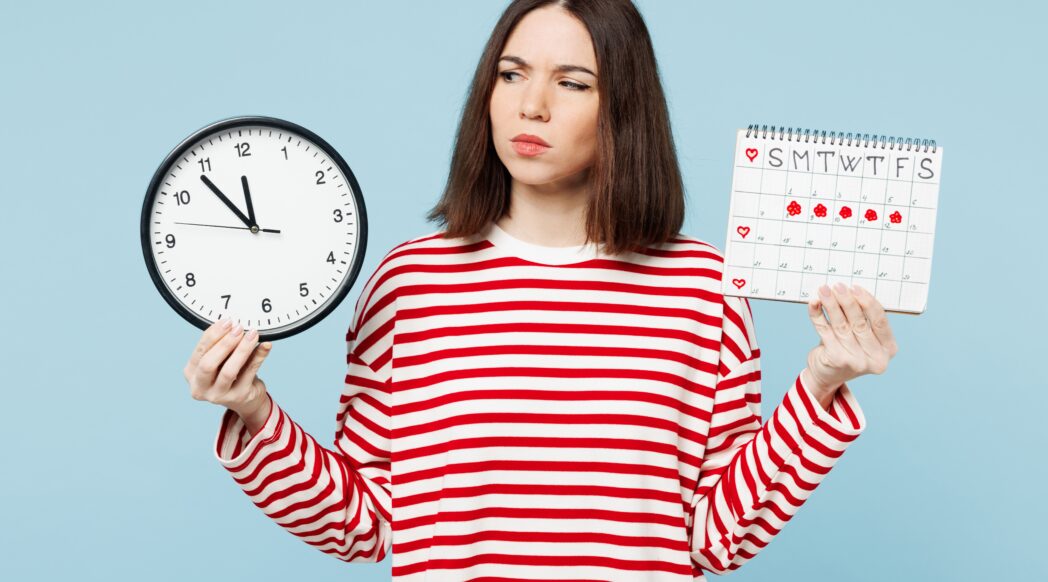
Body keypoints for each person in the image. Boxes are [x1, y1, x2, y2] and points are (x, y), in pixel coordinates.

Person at [184, 0, 898, 580]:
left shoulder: (701, 288)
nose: (532, 105)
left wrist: (821, 384)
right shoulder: (410, 281)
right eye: (511, 74)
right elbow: (364, 521)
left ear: (623, 108)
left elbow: (717, 538)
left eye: (572, 82)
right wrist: (252, 411)